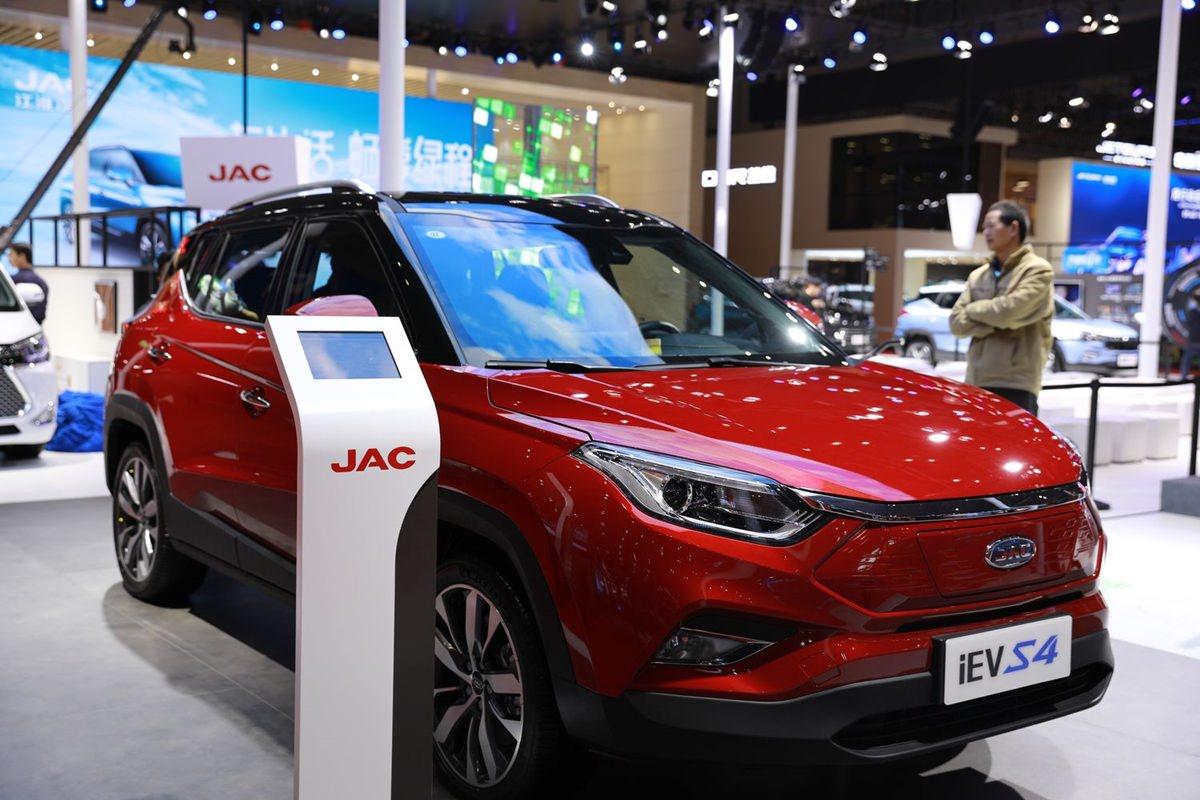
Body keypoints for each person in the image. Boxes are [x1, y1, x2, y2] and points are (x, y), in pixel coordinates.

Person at [950, 201, 1053, 415]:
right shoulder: (978, 275)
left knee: (1015, 439)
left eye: (991, 225)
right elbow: (956, 323)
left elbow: (1009, 312)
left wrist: (973, 310)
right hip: (976, 380)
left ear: (1013, 228)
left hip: (1016, 382)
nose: (986, 232)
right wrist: (996, 321)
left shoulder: (1038, 270)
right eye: (984, 227)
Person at [6, 242, 48, 324]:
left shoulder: (20, 280)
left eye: (11, 254)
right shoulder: (41, 281)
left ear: (22, 256)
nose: (9, 258)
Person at [1182, 287, 1200, 379]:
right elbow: (1190, 324)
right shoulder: (1192, 312)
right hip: (1193, 340)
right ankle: (1184, 378)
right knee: (1187, 360)